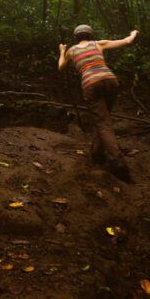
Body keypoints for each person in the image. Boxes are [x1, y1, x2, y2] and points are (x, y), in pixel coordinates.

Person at [58, 24, 139, 182]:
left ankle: (118, 162)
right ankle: (97, 153)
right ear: (91, 36)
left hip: (91, 84)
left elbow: (61, 67)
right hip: (110, 80)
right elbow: (126, 41)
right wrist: (133, 33)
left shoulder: (72, 50)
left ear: (76, 38)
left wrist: (62, 51)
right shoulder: (98, 44)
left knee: (103, 122)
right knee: (104, 119)